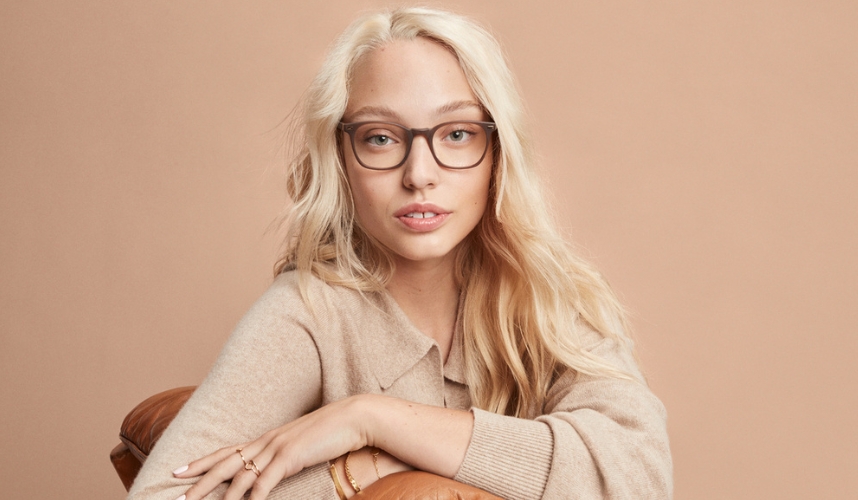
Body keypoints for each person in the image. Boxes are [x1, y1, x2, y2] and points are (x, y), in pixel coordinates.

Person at [127, 7, 672, 500]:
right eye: (380, 138)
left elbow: (640, 478)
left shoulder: (549, 297)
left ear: (496, 154)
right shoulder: (311, 312)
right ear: (341, 157)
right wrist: (359, 475)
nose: (419, 175)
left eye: (457, 134)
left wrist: (377, 420)